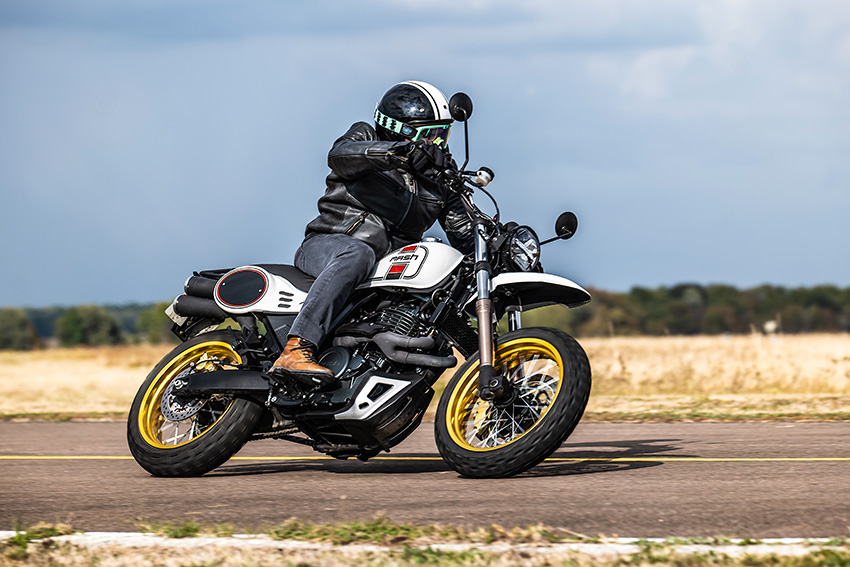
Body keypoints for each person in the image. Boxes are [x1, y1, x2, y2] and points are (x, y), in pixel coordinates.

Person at [270, 80, 474, 385]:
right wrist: (399, 153)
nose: (436, 144)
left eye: (441, 134)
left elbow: (464, 230)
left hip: (385, 269)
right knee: (358, 252)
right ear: (400, 130)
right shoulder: (366, 136)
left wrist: (499, 246)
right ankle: (296, 349)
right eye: (428, 134)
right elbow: (341, 155)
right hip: (329, 245)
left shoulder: (438, 177)